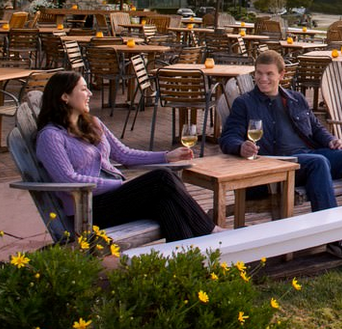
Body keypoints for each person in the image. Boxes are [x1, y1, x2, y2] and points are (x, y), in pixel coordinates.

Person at [220, 50, 342, 259]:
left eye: (269, 74)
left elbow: (316, 128)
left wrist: (331, 140)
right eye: (259, 73)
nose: (263, 79)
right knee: (318, 162)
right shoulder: (245, 103)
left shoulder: (295, 99)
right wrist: (240, 147)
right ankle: (334, 237)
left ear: (282, 75)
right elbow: (227, 138)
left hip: (307, 155)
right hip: (276, 163)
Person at [35, 71, 220, 242]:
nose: (90, 93)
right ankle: (210, 231)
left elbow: (124, 154)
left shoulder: (93, 124)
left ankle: (187, 264)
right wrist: (117, 184)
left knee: (165, 204)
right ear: (64, 97)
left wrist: (166, 156)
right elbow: (68, 180)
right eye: (83, 89)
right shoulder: (51, 136)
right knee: (162, 177)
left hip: (114, 200)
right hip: (87, 209)